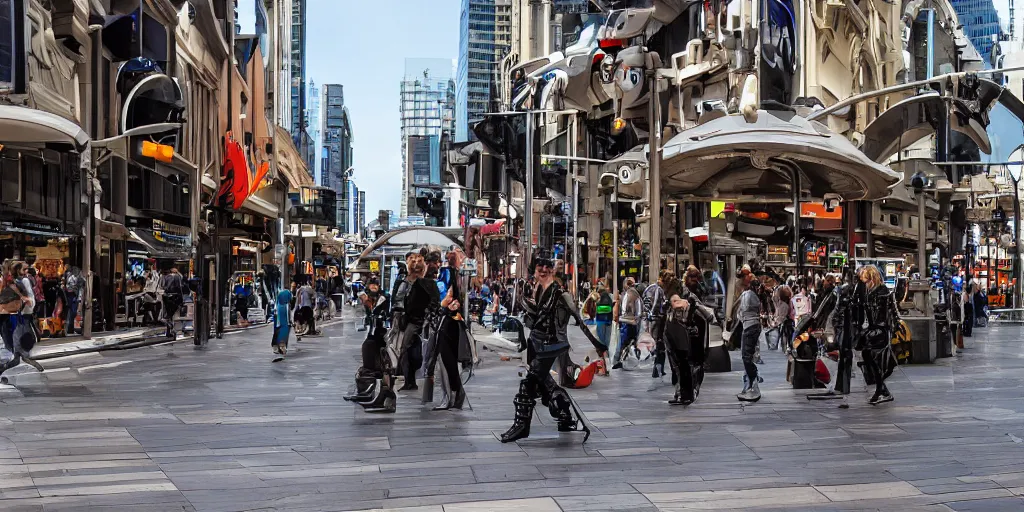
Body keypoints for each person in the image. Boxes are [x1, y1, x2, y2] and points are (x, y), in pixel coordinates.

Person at [500, 254, 608, 443]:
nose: (542, 271)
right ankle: (565, 417)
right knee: (546, 384)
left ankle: (522, 426)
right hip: (537, 343)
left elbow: (579, 320)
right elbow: (539, 317)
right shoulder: (539, 291)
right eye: (538, 267)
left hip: (551, 345)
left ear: (551, 270)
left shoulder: (560, 294)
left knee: (528, 384)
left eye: (545, 267)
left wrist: (598, 346)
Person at [426, 247, 469, 410]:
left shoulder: (447, 273)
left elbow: (445, 295)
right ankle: (455, 393)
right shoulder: (458, 275)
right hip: (452, 321)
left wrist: (442, 306)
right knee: (446, 360)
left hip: (446, 321)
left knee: (445, 360)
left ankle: (453, 394)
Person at [856, 265, 896, 405]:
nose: (864, 283)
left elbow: (882, 315)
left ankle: (881, 391)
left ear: (872, 278)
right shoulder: (870, 291)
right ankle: (882, 390)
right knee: (869, 357)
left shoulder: (881, 292)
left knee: (874, 358)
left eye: (866, 280)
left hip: (879, 330)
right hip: (874, 329)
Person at [396, 253, 435, 392]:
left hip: (418, 322)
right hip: (418, 322)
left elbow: (399, 302)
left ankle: (410, 381)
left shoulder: (414, 283)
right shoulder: (409, 283)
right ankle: (411, 380)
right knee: (411, 350)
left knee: (408, 350)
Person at [736, 268, 763, 402]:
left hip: (749, 326)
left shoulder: (748, 295)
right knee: (747, 355)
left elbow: (743, 308)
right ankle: (750, 382)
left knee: (746, 356)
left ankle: (753, 381)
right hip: (752, 325)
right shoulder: (752, 296)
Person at [612, 277, 641, 369]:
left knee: (623, 342)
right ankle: (623, 359)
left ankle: (619, 360)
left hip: (627, 322)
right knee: (629, 342)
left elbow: (624, 310)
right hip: (632, 322)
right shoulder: (635, 294)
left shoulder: (629, 294)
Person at [158, 266, 186, 337]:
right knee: (173, 314)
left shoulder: (165, 277)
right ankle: (171, 327)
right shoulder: (177, 277)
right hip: (175, 297)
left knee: (168, 314)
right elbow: (179, 287)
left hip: (166, 297)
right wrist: (181, 298)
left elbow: (162, 287)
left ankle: (168, 330)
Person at [768, 284, 793, 351]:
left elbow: (782, 317)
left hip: (783, 323)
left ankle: (785, 347)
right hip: (781, 322)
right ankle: (784, 347)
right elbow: (773, 298)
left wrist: (776, 322)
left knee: (784, 336)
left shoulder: (783, 305)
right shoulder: (780, 303)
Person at [271, 289, 293, 360]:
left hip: (278, 323)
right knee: (283, 336)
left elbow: (275, 312)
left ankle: (276, 347)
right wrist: (290, 322)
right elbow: (288, 315)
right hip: (284, 323)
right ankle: (282, 348)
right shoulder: (287, 305)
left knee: (277, 333)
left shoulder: (278, 303)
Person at [593, 283, 614, 350]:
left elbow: (596, 307)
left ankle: (602, 349)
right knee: (607, 335)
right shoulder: (609, 297)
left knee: (601, 335)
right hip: (609, 318)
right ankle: (607, 349)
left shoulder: (598, 297)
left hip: (601, 319)